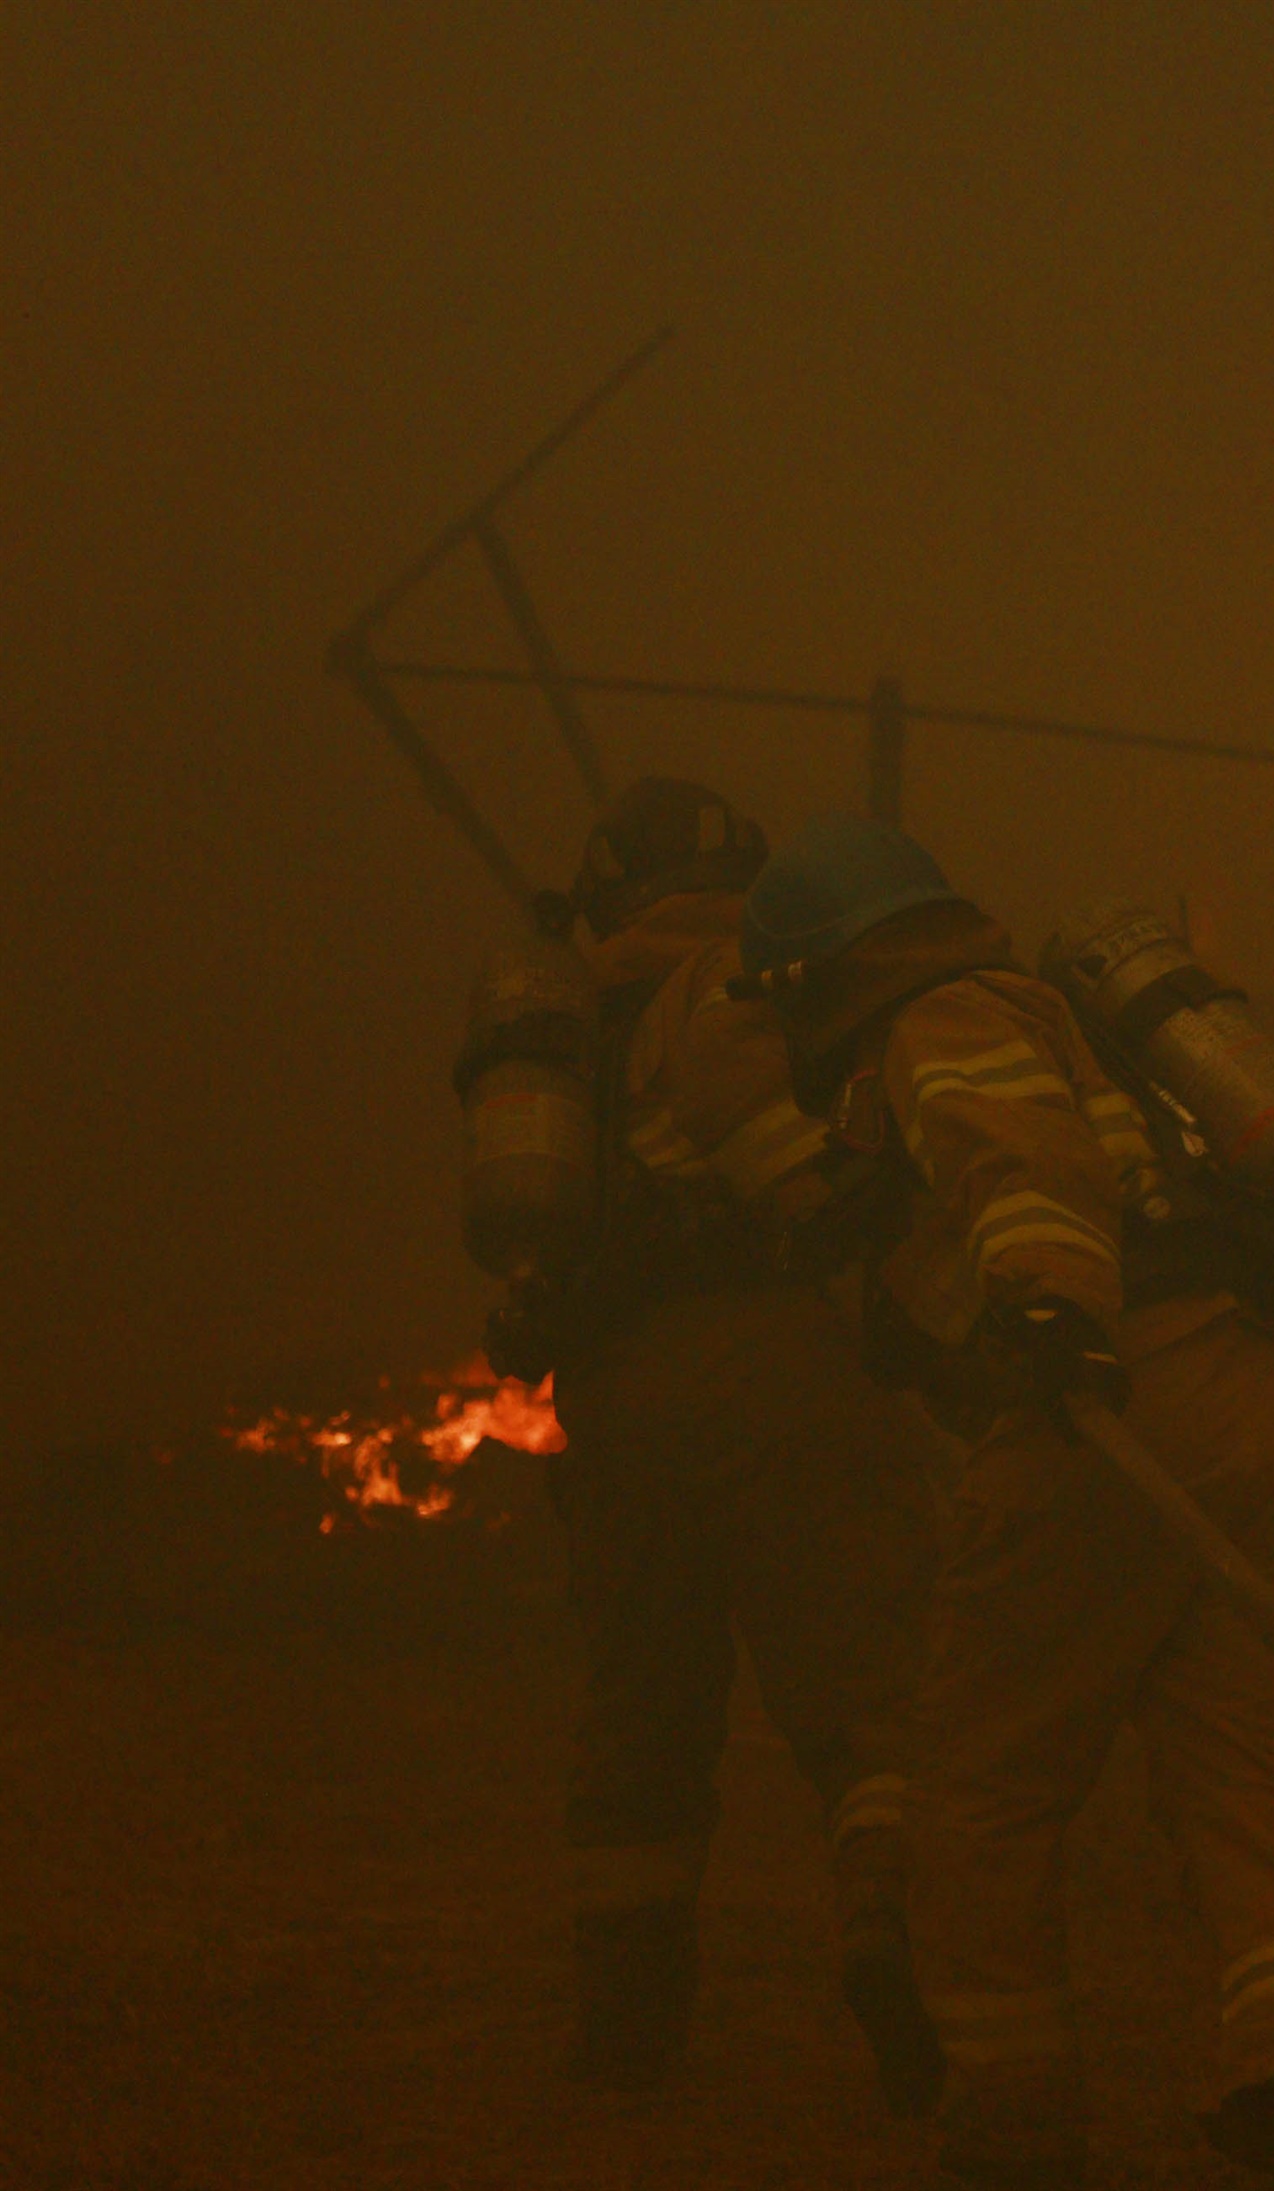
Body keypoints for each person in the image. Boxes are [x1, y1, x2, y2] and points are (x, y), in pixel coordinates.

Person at [735, 815, 1274, 2189]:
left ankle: (1014, 2114)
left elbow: (1017, 1158)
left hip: (1106, 1406)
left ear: (814, 975)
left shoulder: (941, 1018)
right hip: (1253, 1393)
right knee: (1253, 1766)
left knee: (981, 1785)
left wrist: (1048, 1309)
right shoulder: (1075, 1020)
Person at [492, 779, 944, 2112]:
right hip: (793, 1362)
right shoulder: (771, 980)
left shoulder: (568, 1018)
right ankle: (890, 1936)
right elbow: (846, 1171)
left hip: (629, 1394)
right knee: (866, 1697)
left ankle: (626, 2032)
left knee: (641, 1711)